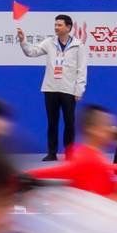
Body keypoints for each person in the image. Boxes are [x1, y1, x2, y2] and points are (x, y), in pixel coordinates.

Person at [19, 13, 86, 161]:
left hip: (69, 89)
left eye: (59, 25)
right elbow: (32, 52)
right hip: (50, 88)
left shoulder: (78, 45)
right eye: (55, 25)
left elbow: (82, 70)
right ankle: (52, 152)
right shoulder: (49, 42)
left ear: (68, 27)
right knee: (52, 122)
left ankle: (69, 153)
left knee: (69, 123)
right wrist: (23, 41)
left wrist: (79, 90)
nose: (56, 27)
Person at [37, 104, 117, 198]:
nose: (113, 130)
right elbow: (104, 198)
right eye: (108, 125)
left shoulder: (83, 153)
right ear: (92, 129)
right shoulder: (89, 160)